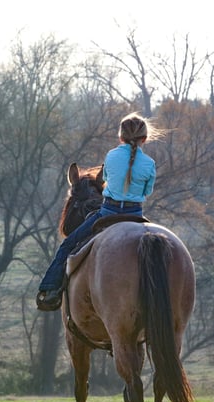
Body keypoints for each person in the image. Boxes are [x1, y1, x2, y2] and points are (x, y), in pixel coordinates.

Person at [36, 112, 159, 311]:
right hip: (136, 215)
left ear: (121, 137)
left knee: (67, 245)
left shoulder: (111, 156)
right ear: (144, 139)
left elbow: (106, 180)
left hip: (107, 213)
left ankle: (49, 289)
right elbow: (147, 191)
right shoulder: (150, 164)